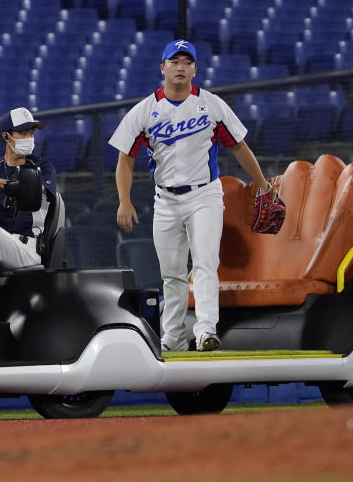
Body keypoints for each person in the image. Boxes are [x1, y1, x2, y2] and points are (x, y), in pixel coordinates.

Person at [108, 39, 273, 352]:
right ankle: (173, 337)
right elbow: (124, 159)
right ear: (163, 68)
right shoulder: (144, 111)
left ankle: (206, 330)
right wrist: (124, 201)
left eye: (186, 62)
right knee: (171, 272)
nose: (180, 67)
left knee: (205, 263)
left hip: (204, 195)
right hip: (165, 200)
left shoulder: (211, 104)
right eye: (174, 61)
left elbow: (238, 146)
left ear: (195, 69)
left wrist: (262, 184)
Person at [0, 107, 57, 322]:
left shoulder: (42, 167)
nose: (29, 137)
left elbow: (35, 190)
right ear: (6, 136)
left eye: (31, 133)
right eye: (22, 132)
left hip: (28, 251)